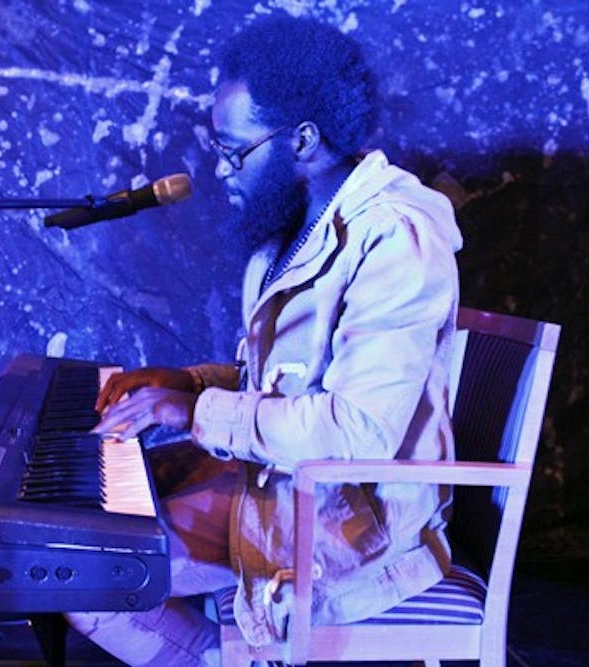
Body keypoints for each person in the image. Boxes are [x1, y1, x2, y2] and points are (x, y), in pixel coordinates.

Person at [66, 14, 463, 666]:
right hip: (284, 489)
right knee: (89, 521)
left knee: (91, 571)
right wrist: (184, 382)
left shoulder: (396, 238)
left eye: (233, 150)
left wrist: (193, 412)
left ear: (303, 139)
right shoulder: (295, 225)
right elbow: (285, 383)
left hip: (350, 529)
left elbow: (357, 429)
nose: (218, 171)